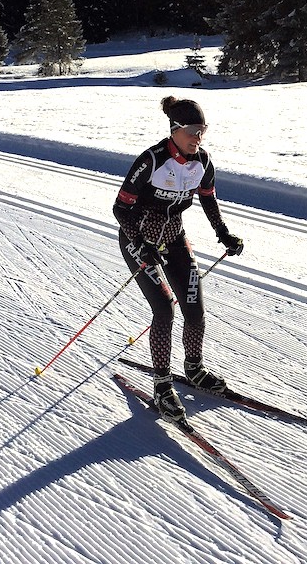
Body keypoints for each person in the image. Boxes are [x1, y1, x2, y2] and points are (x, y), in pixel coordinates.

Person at [113, 95, 244, 422]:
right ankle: (161, 384)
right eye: (192, 131)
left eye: (203, 131)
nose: (198, 138)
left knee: (194, 307)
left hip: (173, 238)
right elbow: (121, 208)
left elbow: (208, 200)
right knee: (165, 308)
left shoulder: (203, 162)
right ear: (175, 129)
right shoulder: (152, 160)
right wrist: (140, 243)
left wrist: (223, 233)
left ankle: (194, 369)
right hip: (139, 239)